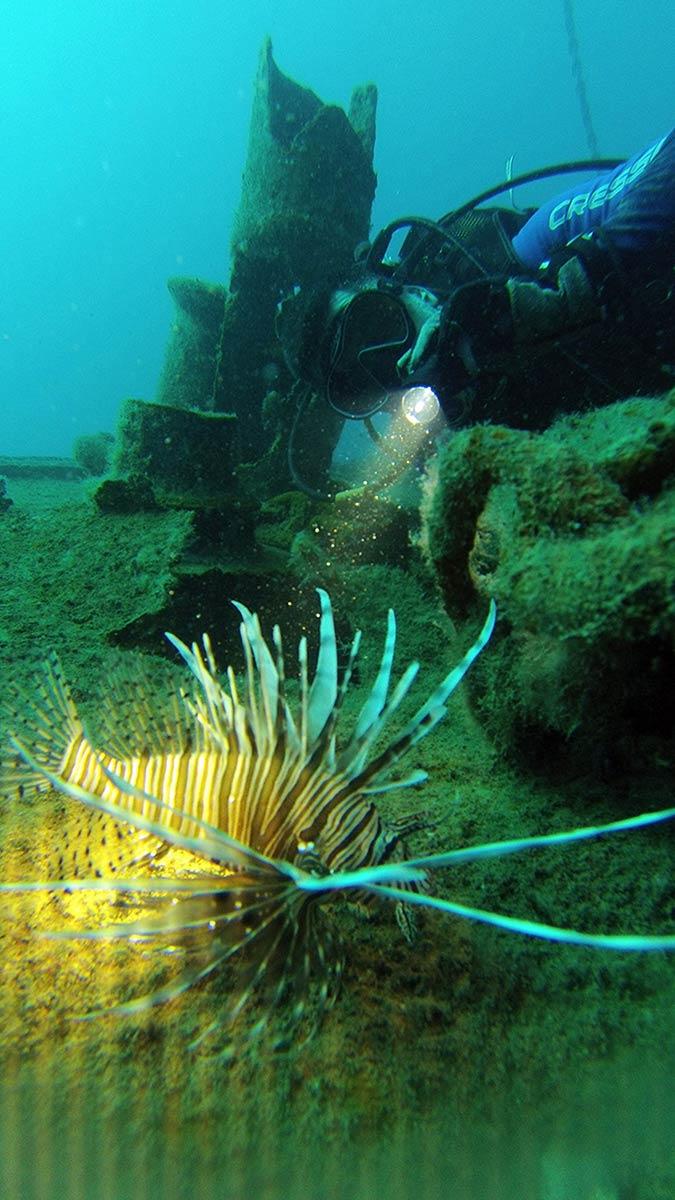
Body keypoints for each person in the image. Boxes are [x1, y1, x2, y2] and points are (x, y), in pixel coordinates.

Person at [278, 128, 674, 440]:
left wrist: (555, 296)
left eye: (377, 324)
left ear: (412, 289)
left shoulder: (514, 254)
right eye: (364, 382)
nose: (392, 362)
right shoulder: (453, 440)